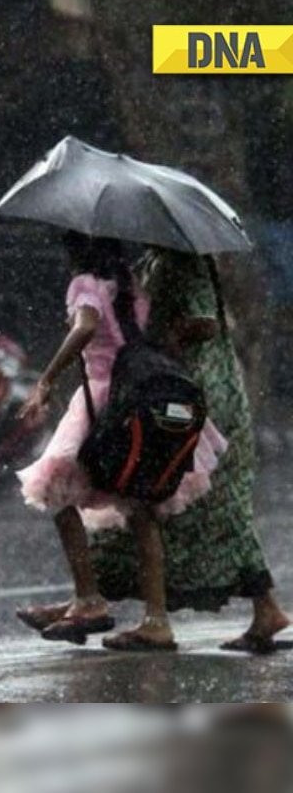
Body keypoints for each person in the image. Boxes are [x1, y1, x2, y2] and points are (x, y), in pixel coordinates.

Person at [15, 232, 225, 652]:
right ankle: (156, 619)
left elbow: (88, 326)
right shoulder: (131, 284)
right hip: (139, 394)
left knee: (57, 494)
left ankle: (89, 598)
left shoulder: (84, 284)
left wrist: (46, 379)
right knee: (141, 507)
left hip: (104, 399)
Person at [81, 249, 289, 654]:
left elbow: (207, 322)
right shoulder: (157, 261)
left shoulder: (185, 263)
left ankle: (140, 613)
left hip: (200, 392)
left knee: (184, 501)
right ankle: (265, 609)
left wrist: (166, 341)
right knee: (203, 506)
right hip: (179, 387)